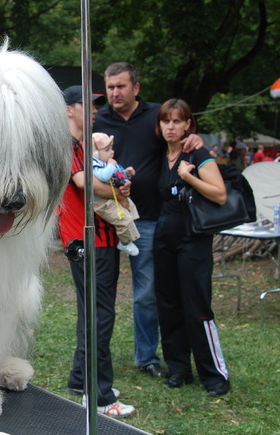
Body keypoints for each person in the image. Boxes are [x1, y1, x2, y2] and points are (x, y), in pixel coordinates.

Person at [94, 62, 202, 380]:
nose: (115, 92)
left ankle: (146, 356)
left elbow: (181, 136)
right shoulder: (98, 120)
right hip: (104, 218)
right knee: (103, 292)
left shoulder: (156, 116)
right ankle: (99, 357)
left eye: (121, 86)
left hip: (147, 219)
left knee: (145, 293)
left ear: (136, 88)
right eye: (110, 87)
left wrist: (194, 140)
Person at [57, 85, 136, 418]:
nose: (92, 111)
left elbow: (99, 181)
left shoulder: (82, 145)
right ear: (67, 110)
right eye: (84, 105)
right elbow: (83, 183)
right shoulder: (68, 145)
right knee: (99, 316)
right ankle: (100, 396)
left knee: (90, 311)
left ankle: (80, 380)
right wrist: (117, 187)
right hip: (90, 239)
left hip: (93, 237)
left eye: (94, 106)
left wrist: (118, 185)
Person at [154, 98, 230, 397]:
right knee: (168, 305)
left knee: (196, 307)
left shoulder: (196, 153)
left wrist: (188, 176)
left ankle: (214, 375)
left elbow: (220, 194)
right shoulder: (160, 154)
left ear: (188, 124)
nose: (170, 126)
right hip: (164, 240)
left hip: (194, 240)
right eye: (165, 121)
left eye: (176, 121)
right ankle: (179, 369)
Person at [91, 132, 140, 256]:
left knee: (131, 208)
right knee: (123, 219)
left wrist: (127, 173)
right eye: (107, 150)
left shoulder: (107, 164)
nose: (112, 152)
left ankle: (129, 229)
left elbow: (118, 175)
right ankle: (124, 242)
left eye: (111, 148)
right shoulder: (95, 164)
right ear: (96, 153)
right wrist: (111, 166)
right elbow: (103, 176)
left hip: (112, 197)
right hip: (102, 202)